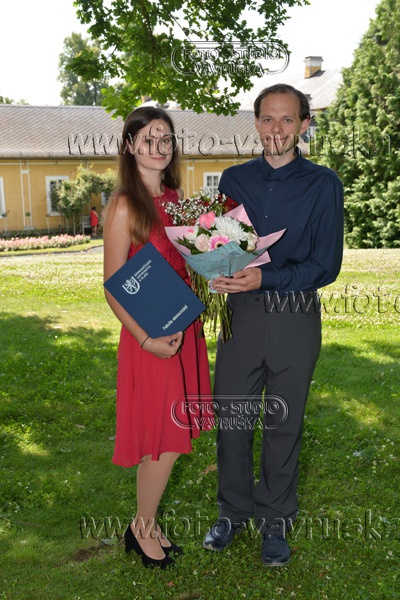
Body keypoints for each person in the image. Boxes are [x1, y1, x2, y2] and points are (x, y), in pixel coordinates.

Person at [203, 84, 344, 566]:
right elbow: (223, 245)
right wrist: (216, 270)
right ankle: (232, 513)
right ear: (256, 123)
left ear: (304, 124)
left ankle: (275, 524)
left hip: (295, 317)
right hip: (240, 317)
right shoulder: (233, 179)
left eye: (287, 119)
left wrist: (267, 278)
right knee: (232, 421)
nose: (276, 129)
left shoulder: (324, 184)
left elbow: (326, 265)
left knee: (284, 425)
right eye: (267, 118)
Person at [103, 106, 212, 570]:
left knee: (176, 430)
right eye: (148, 138)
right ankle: (141, 528)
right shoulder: (125, 205)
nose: (159, 146)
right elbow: (113, 285)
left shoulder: (177, 199)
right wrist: (146, 340)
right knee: (165, 439)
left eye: (165, 138)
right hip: (149, 337)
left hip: (185, 328)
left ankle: (145, 524)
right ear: (130, 146)